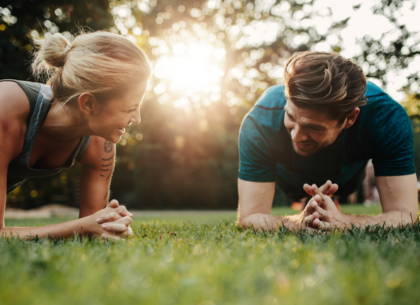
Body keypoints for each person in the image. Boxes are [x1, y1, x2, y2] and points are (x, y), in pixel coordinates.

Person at [237, 51, 418, 232]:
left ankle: (331, 201)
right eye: (290, 116)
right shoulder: (260, 121)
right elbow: (249, 217)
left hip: (346, 180)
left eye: (314, 127)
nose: (296, 136)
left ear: (350, 118)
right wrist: (297, 223)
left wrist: (343, 221)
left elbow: (406, 215)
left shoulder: (386, 118)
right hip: (292, 182)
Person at [0, 31, 152, 240]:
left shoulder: (101, 141)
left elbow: (94, 229)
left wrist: (111, 226)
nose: (137, 118)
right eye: (130, 108)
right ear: (88, 103)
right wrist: (81, 227)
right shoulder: (6, 110)